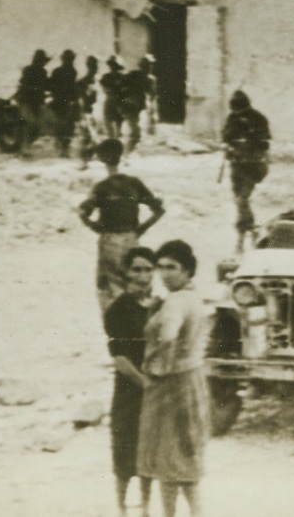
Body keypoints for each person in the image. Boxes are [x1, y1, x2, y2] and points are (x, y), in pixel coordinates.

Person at [138, 240, 210, 517]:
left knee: (168, 458)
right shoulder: (192, 297)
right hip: (192, 379)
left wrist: (159, 365)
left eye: (173, 267)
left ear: (188, 270)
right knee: (184, 457)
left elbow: (168, 336)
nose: (165, 273)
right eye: (161, 267)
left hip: (172, 384)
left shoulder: (176, 302)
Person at [78, 138, 165, 313]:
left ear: (102, 159)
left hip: (109, 240)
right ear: (120, 155)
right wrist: (140, 230)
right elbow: (159, 210)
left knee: (109, 286)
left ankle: (115, 324)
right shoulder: (134, 183)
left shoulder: (102, 187)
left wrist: (95, 227)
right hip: (131, 238)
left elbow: (82, 212)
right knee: (135, 279)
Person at [103, 246, 158, 516]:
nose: (143, 275)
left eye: (148, 269)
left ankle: (146, 508)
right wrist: (144, 383)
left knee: (149, 450)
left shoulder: (158, 306)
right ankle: (122, 509)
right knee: (124, 449)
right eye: (137, 269)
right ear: (126, 272)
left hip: (156, 388)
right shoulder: (118, 309)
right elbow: (120, 358)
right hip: (129, 390)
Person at [222, 91, 271, 254]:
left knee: (242, 199)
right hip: (237, 165)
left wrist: (249, 132)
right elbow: (225, 137)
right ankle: (251, 228)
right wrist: (232, 144)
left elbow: (265, 143)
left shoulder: (258, 118)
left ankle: (241, 237)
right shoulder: (232, 118)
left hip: (253, 166)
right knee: (239, 200)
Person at [13, 49, 51, 152]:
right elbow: (24, 84)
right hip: (26, 101)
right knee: (29, 122)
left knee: (38, 126)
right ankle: (24, 148)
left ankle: (26, 145)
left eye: (43, 61)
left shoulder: (43, 72)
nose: (42, 63)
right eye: (41, 61)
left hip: (37, 102)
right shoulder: (28, 70)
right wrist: (36, 88)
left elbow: (46, 85)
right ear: (37, 60)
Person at [46, 49, 79, 158]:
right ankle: (63, 150)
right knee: (67, 126)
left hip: (60, 101)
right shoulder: (73, 71)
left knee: (62, 125)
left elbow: (50, 86)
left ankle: (62, 149)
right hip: (66, 101)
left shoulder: (58, 71)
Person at [120, 58, 152, 153]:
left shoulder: (145, 78)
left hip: (134, 107)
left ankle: (127, 152)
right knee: (134, 133)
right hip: (129, 106)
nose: (148, 68)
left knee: (133, 131)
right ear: (142, 66)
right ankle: (125, 153)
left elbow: (149, 92)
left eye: (148, 66)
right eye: (146, 66)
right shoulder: (134, 75)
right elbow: (122, 85)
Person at [76, 55, 102, 168]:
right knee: (88, 136)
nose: (94, 68)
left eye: (95, 65)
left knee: (93, 136)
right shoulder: (83, 82)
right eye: (92, 65)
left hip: (98, 112)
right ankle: (84, 161)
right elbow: (82, 99)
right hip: (88, 112)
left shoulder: (99, 81)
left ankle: (87, 160)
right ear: (88, 66)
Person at [101, 57, 127, 141]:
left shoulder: (122, 77)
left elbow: (125, 88)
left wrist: (117, 89)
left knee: (119, 120)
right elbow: (104, 88)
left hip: (119, 100)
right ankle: (111, 138)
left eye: (115, 66)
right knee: (108, 120)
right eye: (111, 66)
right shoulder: (106, 76)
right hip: (110, 99)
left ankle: (118, 138)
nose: (113, 68)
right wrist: (111, 89)